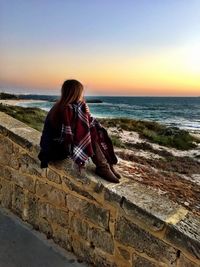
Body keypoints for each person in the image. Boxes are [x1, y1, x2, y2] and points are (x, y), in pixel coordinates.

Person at [38, 79, 121, 183]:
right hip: (56, 150)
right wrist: (85, 113)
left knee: (96, 131)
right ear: (76, 92)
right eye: (81, 91)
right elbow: (80, 133)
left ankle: (107, 164)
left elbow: (83, 127)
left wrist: (87, 114)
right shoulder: (68, 109)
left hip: (57, 146)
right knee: (91, 134)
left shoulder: (62, 106)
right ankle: (103, 167)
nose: (83, 94)